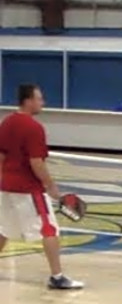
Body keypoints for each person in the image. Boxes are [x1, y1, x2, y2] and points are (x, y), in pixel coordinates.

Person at [0, 84, 84, 289]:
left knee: (3, 228)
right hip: (29, 189)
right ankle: (57, 277)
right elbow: (36, 162)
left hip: (5, 186)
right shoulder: (33, 128)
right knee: (50, 230)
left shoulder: (6, 123)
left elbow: (1, 155)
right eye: (39, 99)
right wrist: (51, 186)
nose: (42, 103)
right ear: (28, 101)